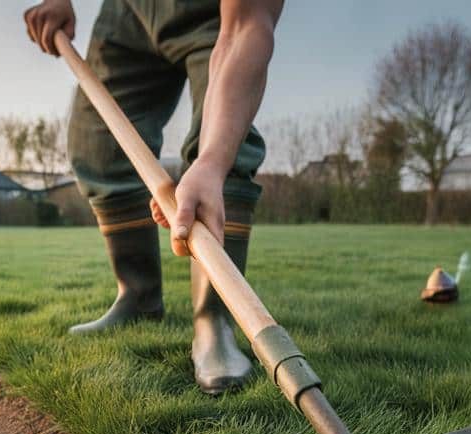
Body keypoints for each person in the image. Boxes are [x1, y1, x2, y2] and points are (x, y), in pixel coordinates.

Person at [23, 0, 284, 394]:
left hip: (212, 13)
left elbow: (244, 30)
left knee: (224, 139)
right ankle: (138, 298)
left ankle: (213, 320)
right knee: (97, 144)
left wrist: (212, 162)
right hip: (129, 9)